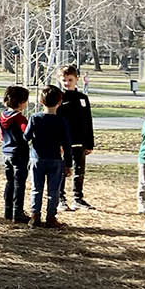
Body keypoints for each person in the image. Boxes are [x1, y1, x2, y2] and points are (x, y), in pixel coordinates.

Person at [25, 85, 72, 228]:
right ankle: (51, 217)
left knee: (36, 188)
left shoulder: (34, 118)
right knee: (54, 191)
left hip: (37, 158)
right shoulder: (62, 121)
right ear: (60, 102)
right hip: (55, 159)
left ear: (40, 101)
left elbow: (26, 136)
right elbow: (67, 144)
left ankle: (35, 216)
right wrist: (68, 164)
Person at [55, 64, 96, 211]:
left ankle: (78, 198)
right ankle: (60, 198)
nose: (67, 83)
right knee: (63, 169)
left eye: (70, 79)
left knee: (79, 169)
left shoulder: (82, 98)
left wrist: (90, 143)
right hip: (63, 141)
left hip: (80, 141)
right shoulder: (58, 97)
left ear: (76, 79)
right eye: (64, 80)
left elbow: (88, 120)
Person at [0, 85, 32, 224]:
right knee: (19, 183)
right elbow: (27, 134)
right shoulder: (20, 119)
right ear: (21, 102)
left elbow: (1, 135)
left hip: (6, 151)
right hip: (19, 153)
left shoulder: (3, 116)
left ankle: (8, 210)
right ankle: (17, 212)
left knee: (10, 181)